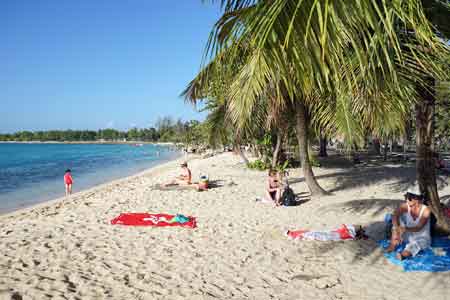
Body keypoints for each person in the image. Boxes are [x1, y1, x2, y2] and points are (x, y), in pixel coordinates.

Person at [385, 187, 431, 260]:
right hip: (408, 234)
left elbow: (419, 227)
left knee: (415, 245)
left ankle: (403, 254)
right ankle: (393, 244)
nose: (407, 200)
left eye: (409, 198)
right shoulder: (406, 206)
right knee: (397, 220)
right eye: (406, 197)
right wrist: (397, 229)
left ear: (417, 199)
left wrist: (404, 229)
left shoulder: (426, 210)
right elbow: (395, 215)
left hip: (421, 237)